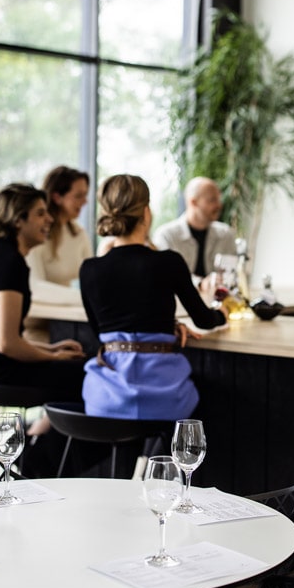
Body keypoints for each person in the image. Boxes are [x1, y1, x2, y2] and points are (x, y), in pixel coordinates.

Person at [0, 183, 88, 474]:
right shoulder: (10, 263)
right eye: (40, 213)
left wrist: (51, 348)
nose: (50, 219)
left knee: (77, 370)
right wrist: (54, 357)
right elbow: (7, 343)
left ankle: (38, 453)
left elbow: (7, 338)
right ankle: (37, 462)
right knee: (87, 376)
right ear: (18, 220)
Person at [79, 174, 228, 420]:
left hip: (106, 401)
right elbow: (203, 320)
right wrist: (222, 313)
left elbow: (103, 331)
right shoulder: (169, 262)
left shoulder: (89, 269)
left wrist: (166, 325)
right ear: (146, 213)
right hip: (165, 397)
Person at [25, 166, 93, 343]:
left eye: (85, 195)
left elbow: (93, 280)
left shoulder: (79, 234)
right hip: (39, 326)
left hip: (70, 321)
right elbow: (35, 288)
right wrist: (86, 299)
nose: (85, 201)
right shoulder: (37, 235)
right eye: (78, 196)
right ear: (57, 197)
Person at [151, 176, 237, 289]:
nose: (219, 205)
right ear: (193, 202)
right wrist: (200, 283)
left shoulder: (226, 234)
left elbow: (232, 275)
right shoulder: (166, 236)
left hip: (219, 299)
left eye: (218, 199)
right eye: (212, 200)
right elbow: (166, 275)